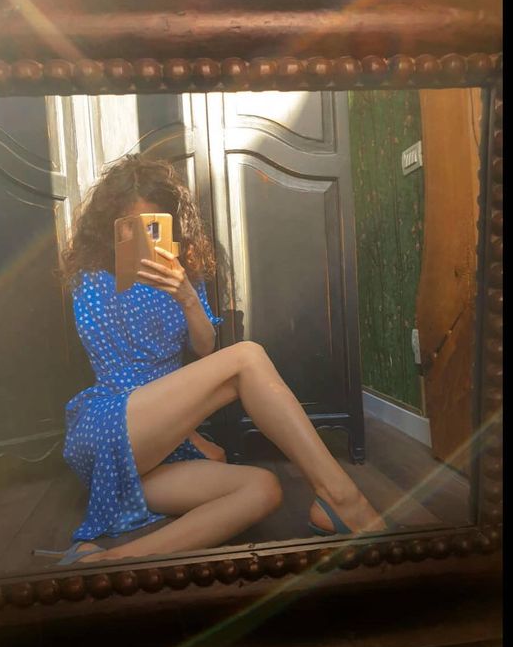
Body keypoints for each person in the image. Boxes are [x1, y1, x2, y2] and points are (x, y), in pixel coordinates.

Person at [35, 154, 386, 568]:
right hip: (109, 425)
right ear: (108, 224)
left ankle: (107, 561)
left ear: (169, 225)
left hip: (158, 444)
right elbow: (115, 358)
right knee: (247, 357)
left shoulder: (184, 276)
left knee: (263, 488)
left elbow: (203, 348)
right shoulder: (90, 275)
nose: (138, 236)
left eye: (151, 226)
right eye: (127, 226)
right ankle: (343, 498)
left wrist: (185, 294)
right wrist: (187, 430)